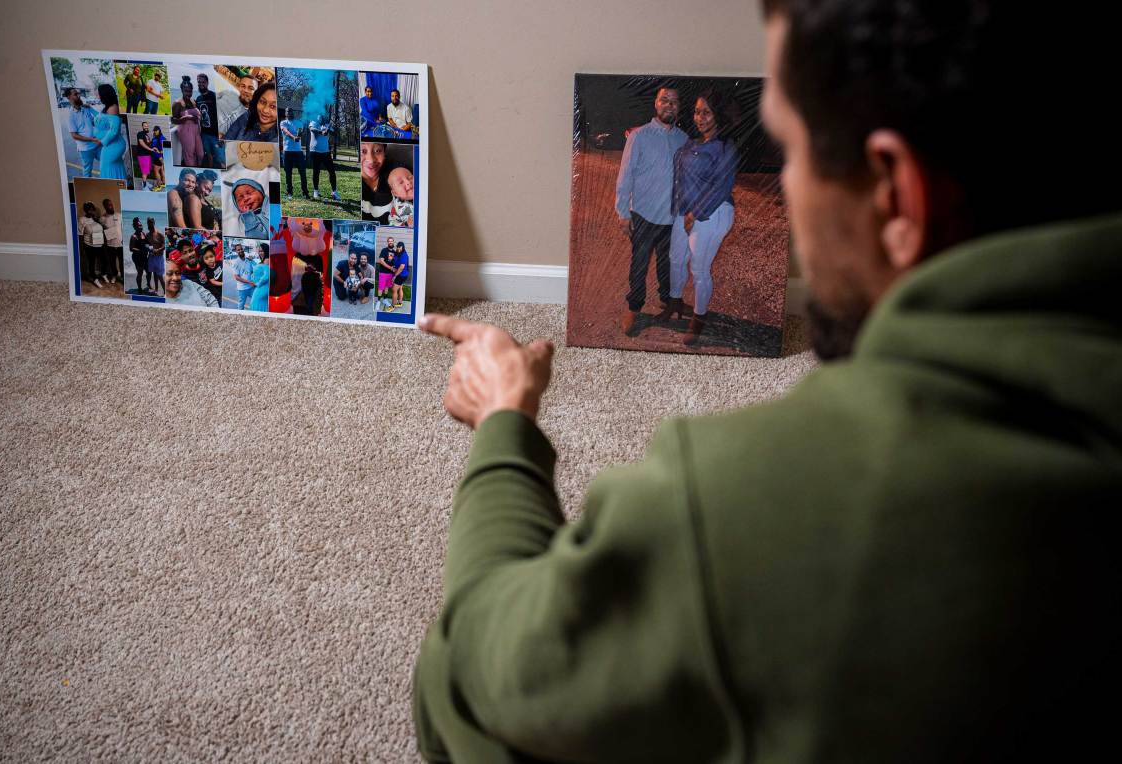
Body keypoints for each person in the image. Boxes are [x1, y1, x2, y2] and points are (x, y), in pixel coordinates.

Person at [411, 1, 1122, 761]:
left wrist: (503, 426)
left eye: (789, 149)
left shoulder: (733, 499)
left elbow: (485, 675)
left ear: (894, 197)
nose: (786, 186)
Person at [662, 90, 741, 345]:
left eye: (706, 112)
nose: (700, 117)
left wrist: (696, 213)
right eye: (697, 111)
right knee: (676, 258)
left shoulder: (725, 147)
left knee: (699, 269)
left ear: (719, 115)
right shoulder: (692, 143)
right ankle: (675, 302)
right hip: (684, 212)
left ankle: (699, 318)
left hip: (712, 213)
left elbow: (721, 185)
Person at [613, 85, 688, 335]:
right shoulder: (639, 136)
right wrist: (623, 212)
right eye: (664, 100)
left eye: (674, 102)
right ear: (656, 104)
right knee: (640, 264)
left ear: (678, 108)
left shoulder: (683, 139)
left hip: (672, 217)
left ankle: (667, 299)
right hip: (643, 214)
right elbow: (625, 176)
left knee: (668, 263)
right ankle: (633, 308)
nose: (669, 105)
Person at [64, 87, 101, 179]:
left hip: (97, 144)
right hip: (86, 149)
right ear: (69, 97)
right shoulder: (70, 115)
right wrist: (91, 139)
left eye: (78, 94)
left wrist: (92, 109)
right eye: (75, 94)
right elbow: (74, 135)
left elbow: (94, 122)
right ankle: (88, 190)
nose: (79, 96)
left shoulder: (85, 108)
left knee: (107, 161)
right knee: (87, 172)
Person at [94, 84, 127, 181]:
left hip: (113, 145)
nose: (98, 96)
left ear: (104, 94)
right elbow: (102, 118)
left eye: (99, 93)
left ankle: (112, 189)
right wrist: (89, 109)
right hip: (110, 144)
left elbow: (114, 130)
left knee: (106, 166)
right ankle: (119, 188)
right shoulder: (108, 107)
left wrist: (102, 142)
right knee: (115, 167)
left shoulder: (113, 108)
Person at [171, 76, 204, 167]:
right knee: (189, 155)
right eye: (186, 91)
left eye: (190, 91)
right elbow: (173, 119)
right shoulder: (177, 103)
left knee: (200, 154)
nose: (188, 93)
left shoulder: (193, 101)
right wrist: (186, 118)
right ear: (182, 90)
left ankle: (198, 167)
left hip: (196, 130)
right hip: (185, 131)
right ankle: (192, 169)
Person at [195, 72, 223, 167]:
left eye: (203, 82)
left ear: (207, 83)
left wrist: (222, 135)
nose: (201, 84)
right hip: (204, 134)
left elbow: (222, 115)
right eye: (199, 82)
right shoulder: (198, 99)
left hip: (215, 135)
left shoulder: (214, 96)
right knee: (209, 155)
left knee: (221, 158)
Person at [308, 113, 339, 200]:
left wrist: (331, 130)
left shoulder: (327, 125)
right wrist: (321, 131)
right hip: (315, 152)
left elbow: (334, 134)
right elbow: (312, 129)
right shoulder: (314, 123)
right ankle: (316, 191)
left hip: (326, 152)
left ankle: (334, 192)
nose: (322, 118)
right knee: (316, 172)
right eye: (321, 116)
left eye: (324, 116)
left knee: (332, 171)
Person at [360, 142, 393, 223]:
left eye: (378, 151)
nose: (371, 160)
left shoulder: (400, 173)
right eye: (362, 151)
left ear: (384, 152)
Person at [280, 108, 308, 198]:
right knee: (288, 173)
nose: (289, 113)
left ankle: (305, 193)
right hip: (287, 151)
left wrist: (301, 134)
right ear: (285, 113)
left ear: (293, 112)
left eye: (291, 111)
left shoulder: (299, 122)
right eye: (287, 111)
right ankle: (289, 193)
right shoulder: (283, 122)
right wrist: (293, 137)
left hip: (298, 151)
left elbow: (301, 132)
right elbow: (286, 132)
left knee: (302, 172)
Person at [76, 202, 106, 288]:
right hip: (90, 245)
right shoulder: (82, 219)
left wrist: (95, 218)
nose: (91, 211)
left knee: (104, 261)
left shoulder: (95, 219)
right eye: (89, 209)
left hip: (100, 244)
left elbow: (101, 230)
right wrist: (81, 249)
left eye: (92, 209)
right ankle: (94, 279)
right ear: (85, 210)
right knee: (92, 263)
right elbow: (80, 234)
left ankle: (103, 275)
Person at [217, 72, 255, 138]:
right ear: (239, 87)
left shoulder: (250, 118)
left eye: (250, 88)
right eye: (243, 86)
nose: (245, 90)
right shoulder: (228, 92)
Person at [100, 198, 124, 283]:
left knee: (122, 262)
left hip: (121, 243)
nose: (111, 206)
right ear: (105, 206)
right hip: (110, 244)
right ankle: (114, 275)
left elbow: (122, 229)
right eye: (108, 205)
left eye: (111, 204)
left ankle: (122, 277)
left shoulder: (119, 215)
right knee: (112, 262)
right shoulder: (102, 218)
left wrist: (124, 239)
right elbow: (103, 231)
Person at [231, 243, 257, 310]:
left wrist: (254, 281)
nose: (240, 251)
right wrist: (249, 282)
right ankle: (240, 315)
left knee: (257, 298)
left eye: (241, 249)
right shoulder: (236, 262)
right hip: (242, 288)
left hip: (251, 287)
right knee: (241, 304)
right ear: (236, 251)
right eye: (238, 250)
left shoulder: (248, 260)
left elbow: (251, 272)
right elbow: (236, 277)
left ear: (243, 249)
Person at [128, 217, 150, 293]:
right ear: (135, 227)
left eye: (141, 225)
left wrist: (148, 248)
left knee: (148, 271)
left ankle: (148, 285)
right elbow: (131, 248)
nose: (141, 227)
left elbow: (147, 243)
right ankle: (140, 288)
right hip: (137, 258)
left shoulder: (143, 233)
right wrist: (140, 251)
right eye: (139, 226)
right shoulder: (133, 237)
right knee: (140, 273)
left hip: (144, 256)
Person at [145, 217, 166, 294]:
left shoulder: (159, 234)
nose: (149, 224)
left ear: (154, 223)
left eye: (150, 222)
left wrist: (158, 250)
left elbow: (164, 245)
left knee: (160, 276)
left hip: (159, 258)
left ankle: (165, 292)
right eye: (148, 223)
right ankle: (156, 290)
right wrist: (149, 249)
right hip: (151, 257)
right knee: (154, 274)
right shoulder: (147, 235)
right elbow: (147, 245)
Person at [247, 243, 270, 311]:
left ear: (266, 251)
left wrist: (256, 284)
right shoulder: (264, 261)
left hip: (262, 287)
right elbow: (260, 268)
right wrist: (252, 261)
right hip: (261, 286)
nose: (260, 253)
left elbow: (266, 276)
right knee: (259, 304)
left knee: (255, 303)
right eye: (259, 251)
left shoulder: (267, 260)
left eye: (262, 251)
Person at [389, 240, 410, 310]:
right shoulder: (398, 253)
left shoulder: (404, 255)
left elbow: (401, 268)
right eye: (397, 247)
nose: (398, 248)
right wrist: (393, 267)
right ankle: (400, 303)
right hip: (401, 274)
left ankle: (392, 306)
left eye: (400, 247)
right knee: (400, 288)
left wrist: (395, 276)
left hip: (401, 275)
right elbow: (395, 262)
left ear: (403, 247)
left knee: (394, 290)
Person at [148, 126, 167, 190]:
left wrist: (159, 152)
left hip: (158, 157)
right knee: (162, 171)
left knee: (156, 171)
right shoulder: (155, 138)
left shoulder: (161, 138)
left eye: (156, 130)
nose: (155, 132)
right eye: (154, 130)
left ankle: (159, 185)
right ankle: (163, 183)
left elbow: (165, 148)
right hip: (157, 157)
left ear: (159, 130)